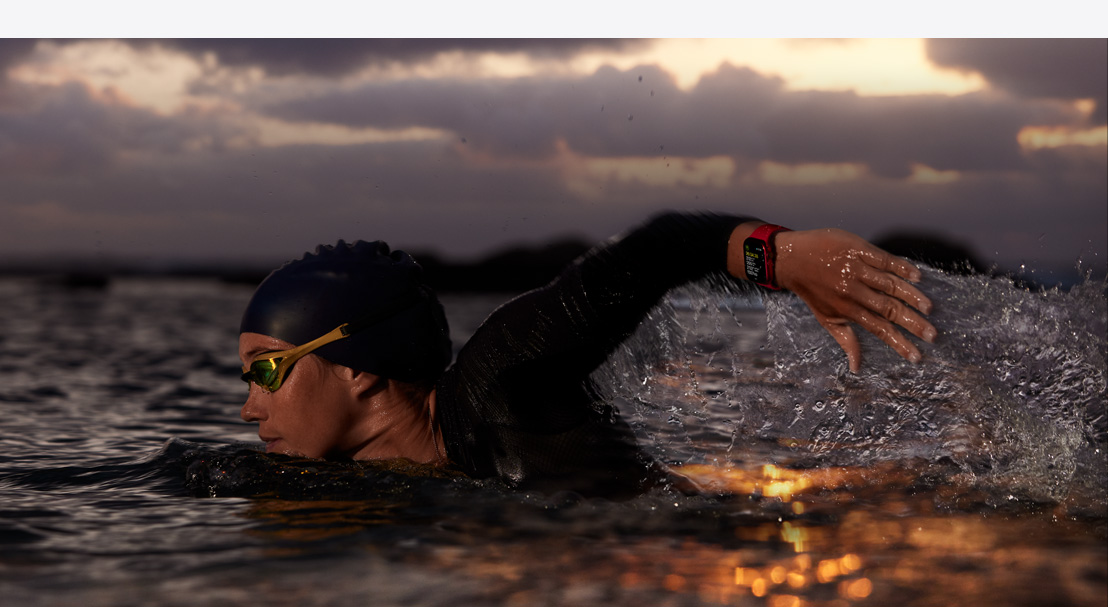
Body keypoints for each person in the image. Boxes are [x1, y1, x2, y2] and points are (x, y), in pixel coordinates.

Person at [238, 212, 936, 497]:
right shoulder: (388, 480)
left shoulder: (498, 380)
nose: (249, 407)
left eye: (268, 369)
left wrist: (778, 256)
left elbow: (650, 252)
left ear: (359, 366)